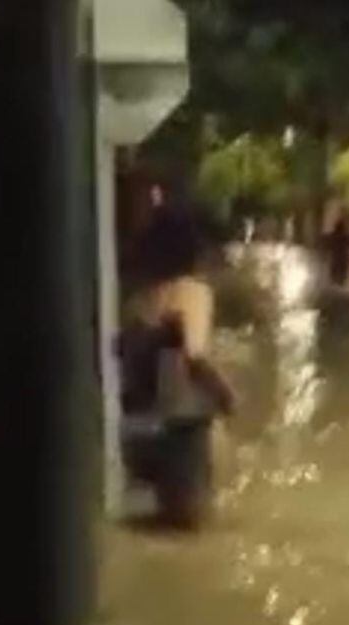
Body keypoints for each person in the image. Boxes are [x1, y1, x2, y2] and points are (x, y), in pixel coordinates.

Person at [118, 209, 235, 528]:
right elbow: (194, 354)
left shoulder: (138, 300)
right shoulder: (192, 292)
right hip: (184, 426)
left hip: (137, 427)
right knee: (195, 532)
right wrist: (226, 395)